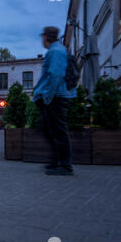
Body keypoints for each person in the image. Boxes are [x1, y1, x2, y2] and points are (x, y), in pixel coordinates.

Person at [33, 26, 77, 176]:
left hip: (55, 97)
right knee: (48, 129)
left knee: (58, 131)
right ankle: (56, 161)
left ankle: (64, 165)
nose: (42, 40)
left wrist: (47, 97)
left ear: (46, 37)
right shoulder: (57, 50)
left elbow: (55, 75)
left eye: (42, 37)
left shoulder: (56, 51)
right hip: (54, 96)